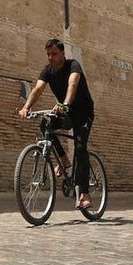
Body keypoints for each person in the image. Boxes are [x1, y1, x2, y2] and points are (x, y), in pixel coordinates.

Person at [17, 38, 96, 209]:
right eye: (48, 54)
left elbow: (72, 85)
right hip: (64, 111)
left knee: (81, 148)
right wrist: (26, 107)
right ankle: (65, 161)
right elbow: (38, 89)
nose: (50, 57)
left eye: (54, 54)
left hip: (82, 112)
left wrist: (65, 103)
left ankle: (85, 193)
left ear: (62, 54)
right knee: (46, 126)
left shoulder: (73, 65)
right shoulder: (48, 70)